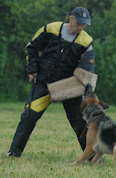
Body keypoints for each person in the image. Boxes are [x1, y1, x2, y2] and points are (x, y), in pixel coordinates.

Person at [7, 7, 96, 157]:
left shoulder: (86, 41)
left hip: (68, 86)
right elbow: (32, 48)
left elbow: (88, 66)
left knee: (79, 122)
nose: (81, 27)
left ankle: (91, 157)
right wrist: (32, 69)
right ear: (71, 18)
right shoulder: (51, 28)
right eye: (79, 23)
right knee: (29, 116)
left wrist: (86, 87)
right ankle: (14, 153)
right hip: (44, 82)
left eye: (84, 24)